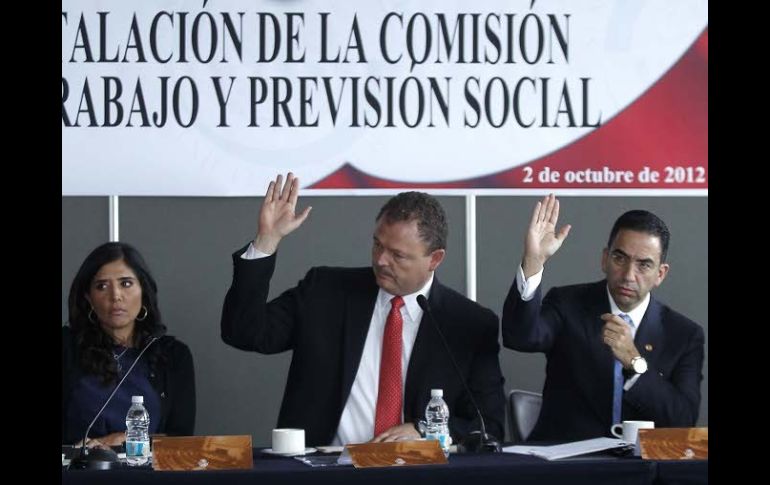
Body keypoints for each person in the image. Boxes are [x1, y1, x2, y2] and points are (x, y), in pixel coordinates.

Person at [221, 172, 505, 446]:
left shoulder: (469, 324)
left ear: (435, 259)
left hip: (419, 469)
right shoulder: (325, 292)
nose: (381, 260)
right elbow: (244, 332)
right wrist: (266, 241)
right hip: (322, 467)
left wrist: (425, 430)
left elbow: (488, 426)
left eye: (397, 255)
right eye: (377, 245)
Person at [501, 194, 704, 442]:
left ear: (660, 274)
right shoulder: (568, 304)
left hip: (641, 463)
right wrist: (533, 262)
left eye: (644, 265)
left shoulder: (684, 335)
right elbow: (519, 337)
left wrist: (635, 363)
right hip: (568, 460)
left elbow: (682, 421)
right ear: (605, 259)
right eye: (620, 258)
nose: (628, 275)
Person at [62, 242, 196, 448]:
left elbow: (181, 440)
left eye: (126, 283)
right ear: (89, 298)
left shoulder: (174, 355)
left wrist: (124, 442)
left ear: (143, 291)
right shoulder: (66, 348)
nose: (115, 296)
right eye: (102, 286)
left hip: (146, 467)